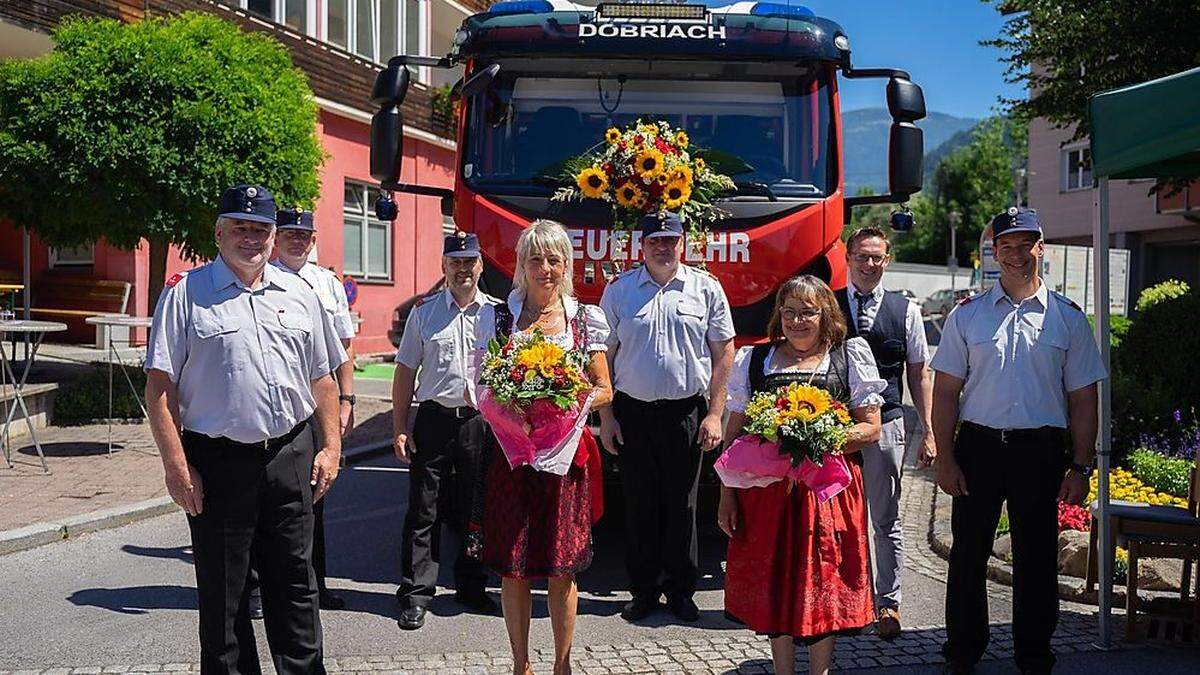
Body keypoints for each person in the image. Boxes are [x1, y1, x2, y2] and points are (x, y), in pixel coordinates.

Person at [144, 184, 346, 675]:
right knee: (225, 595)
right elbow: (159, 389)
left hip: (290, 455)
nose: (250, 238)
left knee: (297, 587)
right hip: (218, 462)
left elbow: (321, 377)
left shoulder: (301, 294)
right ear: (218, 232)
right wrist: (176, 466)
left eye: (261, 229)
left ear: (274, 237)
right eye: (240, 227)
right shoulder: (186, 295)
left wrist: (332, 446)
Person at [931, 207, 1106, 674]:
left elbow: (1084, 399)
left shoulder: (1068, 319)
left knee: (1037, 557)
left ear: (1040, 249)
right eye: (1005, 246)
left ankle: (1034, 654)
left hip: (1040, 451)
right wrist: (944, 458)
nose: (1015, 255)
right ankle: (963, 651)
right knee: (968, 553)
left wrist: (1080, 466)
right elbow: (946, 392)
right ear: (994, 253)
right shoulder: (966, 316)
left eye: (1024, 245)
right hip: (979, 447)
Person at [719, 274, 884, 675]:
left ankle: (820, 671)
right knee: (776, 578)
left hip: (827, 495)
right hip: (767, 494)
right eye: (789, 312)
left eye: (807, 312)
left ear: (825, 313)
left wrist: (819, 440)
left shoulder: (849, 356)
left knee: (823, 578)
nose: (797, 321)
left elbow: (871, 427)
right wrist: (726, 494)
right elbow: (735, 431)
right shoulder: (756, 359)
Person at [472, 219, 613, 675]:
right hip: (511, 458)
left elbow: (605, 388)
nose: (545, 268)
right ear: (522, 265)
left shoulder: (584, 320)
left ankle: (562, 664)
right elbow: (481, 385)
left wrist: (566, 399)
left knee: (561, 567)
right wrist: (515, 405)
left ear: (566, 265)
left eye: (555, 259)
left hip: (563, 458)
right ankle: (519, 664)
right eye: (536, 258)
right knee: (513, 568)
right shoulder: (498, 318)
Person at [598, 211, 736, 623]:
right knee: (639, 504)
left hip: (686, 414)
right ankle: (641, 591)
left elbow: (723, 352)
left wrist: (714, 414)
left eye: (670, 240)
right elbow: (600, 356)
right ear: (641, 246)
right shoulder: (620, 292)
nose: (663, 247)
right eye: (655, 240)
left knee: (682, 505)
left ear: (683, 243)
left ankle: (681, 591)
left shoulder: (705, 289)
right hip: (632, 412)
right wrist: (607, 417)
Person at [392, 231, 499, 630]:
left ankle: (472, 586)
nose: (462, 268)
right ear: (444, 266)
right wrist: (400, 427)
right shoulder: (424, 312)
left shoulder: (497, 314)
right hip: (435, 420)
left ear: (480, 265)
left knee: (477, 510)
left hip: (478, 423)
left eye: (469, 261)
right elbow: (405, 373)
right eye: (455, 261)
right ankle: (417, 593)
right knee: (423, 509)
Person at [835, 226, 936, 638]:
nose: (869, 264)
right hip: (836, 426)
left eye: (877, 257)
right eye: (862, 256)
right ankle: (842, 600)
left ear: (887, 260)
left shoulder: (905, 310)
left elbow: (919, 371)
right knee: (836, 519)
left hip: (889, 423)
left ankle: (887, 603)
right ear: (848, 257)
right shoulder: (828, 304)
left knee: (885, 519)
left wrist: (928, 431)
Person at [269, 206, 358, 611]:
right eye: (289, 233)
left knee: (315, 496)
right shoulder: (261, 278)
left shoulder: (328, 284)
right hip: (278, 404)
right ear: (276, 237)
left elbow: (343, 346)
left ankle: (314, 586)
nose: (296, 240)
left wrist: (347, 399)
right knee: (267, 502)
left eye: (303, 235)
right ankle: (259, 589)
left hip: (316, 405)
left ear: (313, 240)